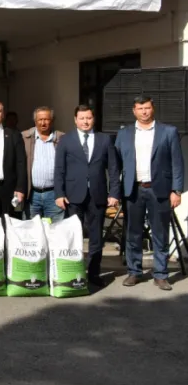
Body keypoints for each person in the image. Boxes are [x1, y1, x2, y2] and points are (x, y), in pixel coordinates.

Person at [115, 96, 183, 291]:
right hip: (133, 189)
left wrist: (176, 190)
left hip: (159, 189)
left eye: (147, 108)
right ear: (133, 111)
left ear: (152, 109)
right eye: (140, 108)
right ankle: (134, 272)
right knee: (132, 233)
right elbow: (117, 164)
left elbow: (177, 163)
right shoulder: (125, 134)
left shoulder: (168, 132)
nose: (144, 111)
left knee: (160, 233)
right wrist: (116, 190)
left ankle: (161, 274)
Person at [54, 105, 121, 288]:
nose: (85, 121)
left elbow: (113, 169)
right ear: (75, 119)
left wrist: (114, 192)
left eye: (89, 118)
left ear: (94, 119)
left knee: (96, 237)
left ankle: (93, 273)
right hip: (73, 196)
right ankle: (74, 272)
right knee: (73, 236)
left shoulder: (104, 140)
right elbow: (59, 169)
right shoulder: (66, 140)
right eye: (82, 118)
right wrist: (59, 194)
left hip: (98, 195)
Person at [22, 106, 65, 222]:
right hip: (32, 195)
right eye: (40, 120)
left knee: (55, 231)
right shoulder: (24, 138)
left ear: (52, 120)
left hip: (54, 194)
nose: (43, 123)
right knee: (31, 232)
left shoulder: (62, 139)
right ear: (35, 121)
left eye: (46, 119)